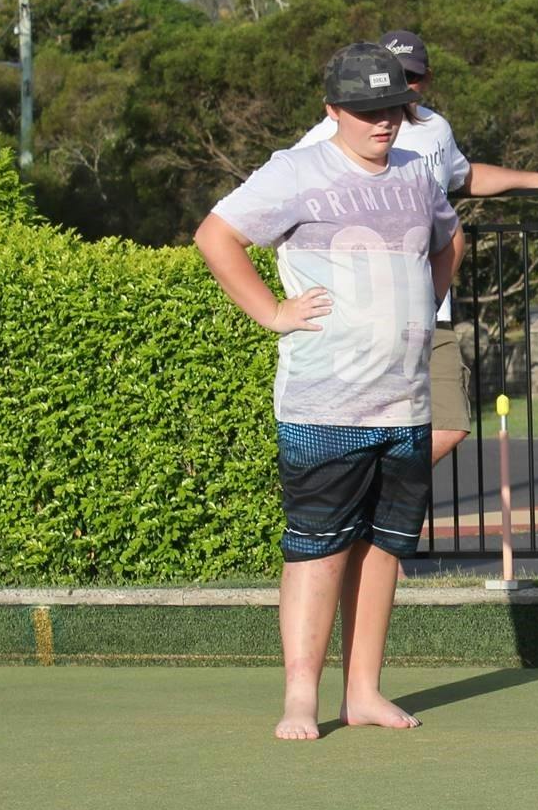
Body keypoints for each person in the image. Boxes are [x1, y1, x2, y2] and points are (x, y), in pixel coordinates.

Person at [197, 44, 460, 740]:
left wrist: (421, 304)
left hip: (404, 400)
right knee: (317, 547)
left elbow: (448, 241)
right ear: (333, 111)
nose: (386, 123)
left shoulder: (416, 172)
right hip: (324, 405)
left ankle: (365, 692)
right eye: (369, 111)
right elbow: (216, 235)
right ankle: (301, 699)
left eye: (395, 108)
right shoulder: (296, 171)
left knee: (384, 547)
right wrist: (271, 312)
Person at [296, 29, 538, 470]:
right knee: (361, 430)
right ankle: (364, 502)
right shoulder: (332, 133)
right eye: (392, 77)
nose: (401, 89)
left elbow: (465, 177)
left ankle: (374, 491)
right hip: (361, 315)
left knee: (449, 423)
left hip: (430, 308)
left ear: (426, 80)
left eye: (410, 78)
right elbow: (283, 198)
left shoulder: (435, 130)